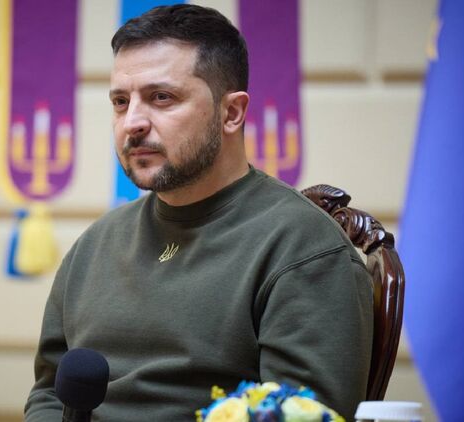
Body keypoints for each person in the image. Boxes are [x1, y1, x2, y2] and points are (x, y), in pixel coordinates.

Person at [25, 4, 373, 421]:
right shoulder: (95, 244)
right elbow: (49, 394)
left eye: (161, 98)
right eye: (120, 101)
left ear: (232, 113)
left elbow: (301, 413)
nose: (132, 122)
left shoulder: (302, 247)